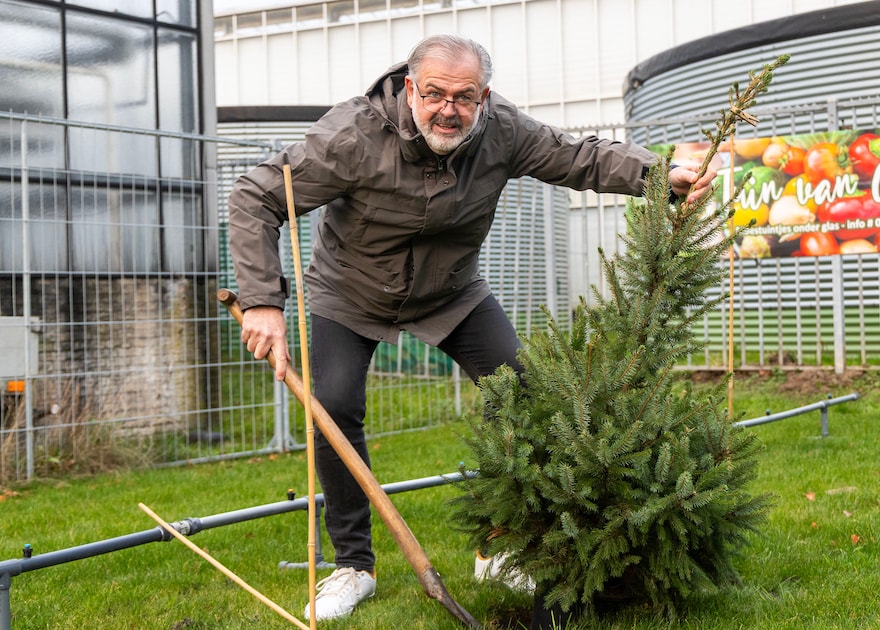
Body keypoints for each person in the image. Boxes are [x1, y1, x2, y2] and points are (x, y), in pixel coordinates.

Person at [227, 34, 717, 621]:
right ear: (411, 89)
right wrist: (262, 301)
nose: (448, 109)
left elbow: (578, 157)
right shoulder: (353, 135)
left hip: (452, 291)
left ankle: (497, 543)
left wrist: (660, 175)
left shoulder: (501, 130)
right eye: (435, 94)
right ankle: (353, 566)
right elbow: (255, 196)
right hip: (350, 292)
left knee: (522, 391)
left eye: (464, 97)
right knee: (332, 407)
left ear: (483, 98)